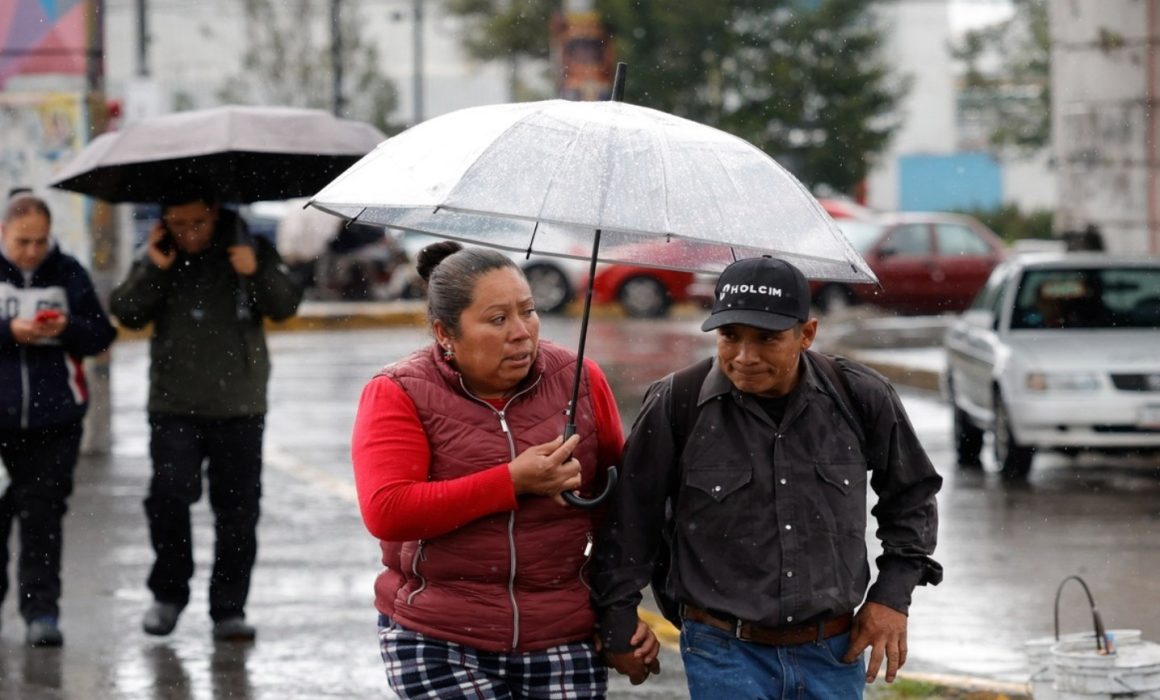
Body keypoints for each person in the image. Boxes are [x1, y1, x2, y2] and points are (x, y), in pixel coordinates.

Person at [591, 256, 943, 698]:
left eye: (767, 339)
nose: (744, 356)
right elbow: (630, 521)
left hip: (835, 654)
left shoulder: (861, 396)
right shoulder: (676, 402)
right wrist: (618, 617)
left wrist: (891, 596)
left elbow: (912, 498)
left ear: (807, 334)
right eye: (730, 336)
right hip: (722, 653)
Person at [351, 241, 656, 698]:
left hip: (561, 632)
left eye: (527, 312)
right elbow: (389, 511)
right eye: (498, 320)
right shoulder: (399, 391)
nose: (522, 332)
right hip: (438, 635)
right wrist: (511, 481)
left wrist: (618, 613)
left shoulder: (580, 380)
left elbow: (620, 507)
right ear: (444, 333)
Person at [109, 183, 302, 641]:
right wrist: (154, 270)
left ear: (214, 212)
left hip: (239, 404)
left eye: (196, 222)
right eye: (178, 224)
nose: (189, 233)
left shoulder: (249, 245)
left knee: (237, 511)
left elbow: (285, 305)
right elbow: (127, 312)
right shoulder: (159, 252)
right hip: (174, 404)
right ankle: (169, 595)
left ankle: (229, 608)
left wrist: (254, 272)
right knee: (169, 498)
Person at [0, 194, 117, 647]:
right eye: (22, 241)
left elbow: (101, 335)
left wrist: (64, 327)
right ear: (4, 234)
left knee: (42, 518)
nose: (32, 250)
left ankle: (41, 612)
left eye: (40, 241)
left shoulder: (68, 272)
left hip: (55, 421)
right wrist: (10, 332)